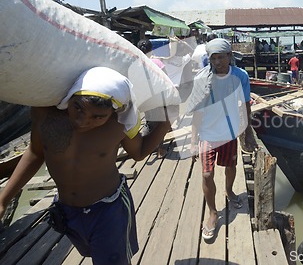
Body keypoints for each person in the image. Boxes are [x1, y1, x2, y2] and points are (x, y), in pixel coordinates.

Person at [0, 66, 174, 265]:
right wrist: (3, 199)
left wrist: (165, 123)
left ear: (112, 113)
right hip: (67, 211)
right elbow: (35, 152)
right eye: (78, 108)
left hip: (109, 211)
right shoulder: (45, 115)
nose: (82, 121)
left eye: (97, 117)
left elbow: (139, 152)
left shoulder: (119, 124)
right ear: (70, 97)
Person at [187, 38, 258, 242]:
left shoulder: (240, 76)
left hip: (229, 131)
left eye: (221, 57)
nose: (217, 62)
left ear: (230, 57)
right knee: (207, 173)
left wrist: (249, 132)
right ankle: (212, 212)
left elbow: (245, 104)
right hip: (208, 133)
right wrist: (193, 140)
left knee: (230, 165)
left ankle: (229, 191)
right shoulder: (202, 79)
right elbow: (197, 111)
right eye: (213, 58)